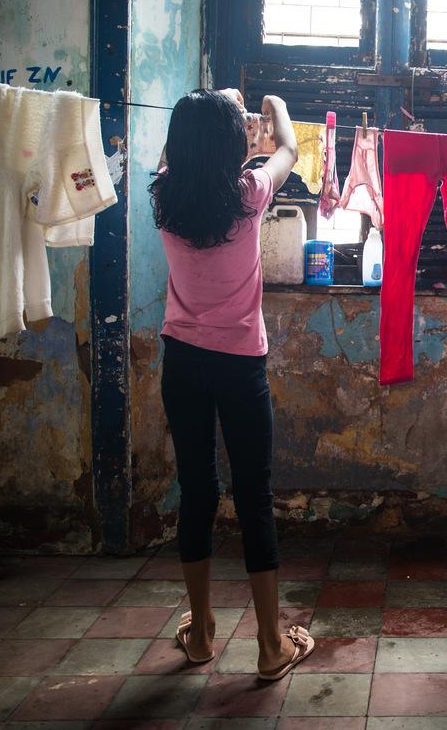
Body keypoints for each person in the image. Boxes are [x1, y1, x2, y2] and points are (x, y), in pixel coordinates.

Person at [149, 88, 314, 680]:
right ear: (231, 144)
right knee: (254, 494)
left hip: (182, 361)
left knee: (197, 490)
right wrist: (270, 106)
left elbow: (186, 143)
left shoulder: (164, 193)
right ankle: (271, 646)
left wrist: (226, 104)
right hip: (240, 363)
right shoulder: (246, 195)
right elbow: (292, 148)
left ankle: (201, 633)